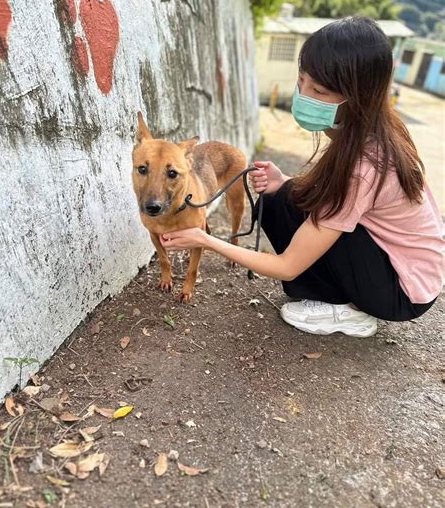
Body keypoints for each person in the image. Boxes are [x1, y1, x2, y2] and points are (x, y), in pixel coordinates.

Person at [160, 17, 443, 338]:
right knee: (277, 197)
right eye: (301, 81)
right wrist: (285, 182)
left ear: (358, 97)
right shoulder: (365, 127)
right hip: (391, 256)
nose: (303, 94)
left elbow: (287, 265)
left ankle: (348, 311)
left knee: (306, 214)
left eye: (318, 90)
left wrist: (205, 240)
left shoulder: (365, 167)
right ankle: (329, 289)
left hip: (403, 290)